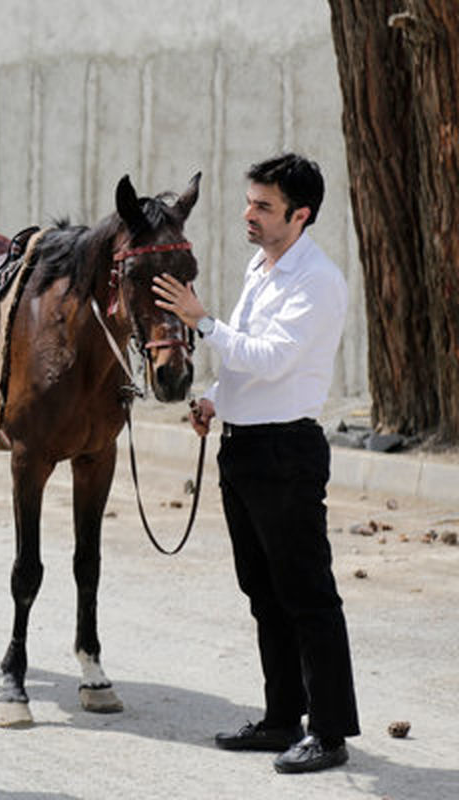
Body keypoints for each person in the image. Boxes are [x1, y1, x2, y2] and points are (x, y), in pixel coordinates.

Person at [152, 153, 359, 774]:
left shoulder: (316, 280)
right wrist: (215, 398)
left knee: (308, 595)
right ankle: (279, 720)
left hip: (286, 452)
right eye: (249, 201)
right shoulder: (261, 267)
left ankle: (329, 732)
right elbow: (246, 363)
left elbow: (272, 358)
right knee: (263, 593)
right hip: (243, 446)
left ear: (301, 215)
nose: (249, 213)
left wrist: (201, 321)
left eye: (264, 206)